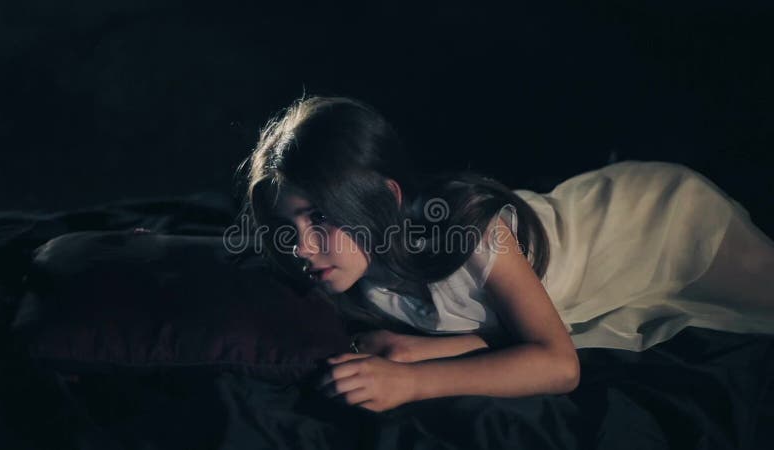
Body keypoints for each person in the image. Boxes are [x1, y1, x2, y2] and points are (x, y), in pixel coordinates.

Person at [233, 94, 774, 412]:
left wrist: (412, 380)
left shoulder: (469, 231)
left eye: (321, 218)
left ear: (384, 200)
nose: (302, 246)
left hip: (651, 225)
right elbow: (497, 329)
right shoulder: (355, 274)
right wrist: (414, 347)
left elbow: (560, 366)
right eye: (291, 224)